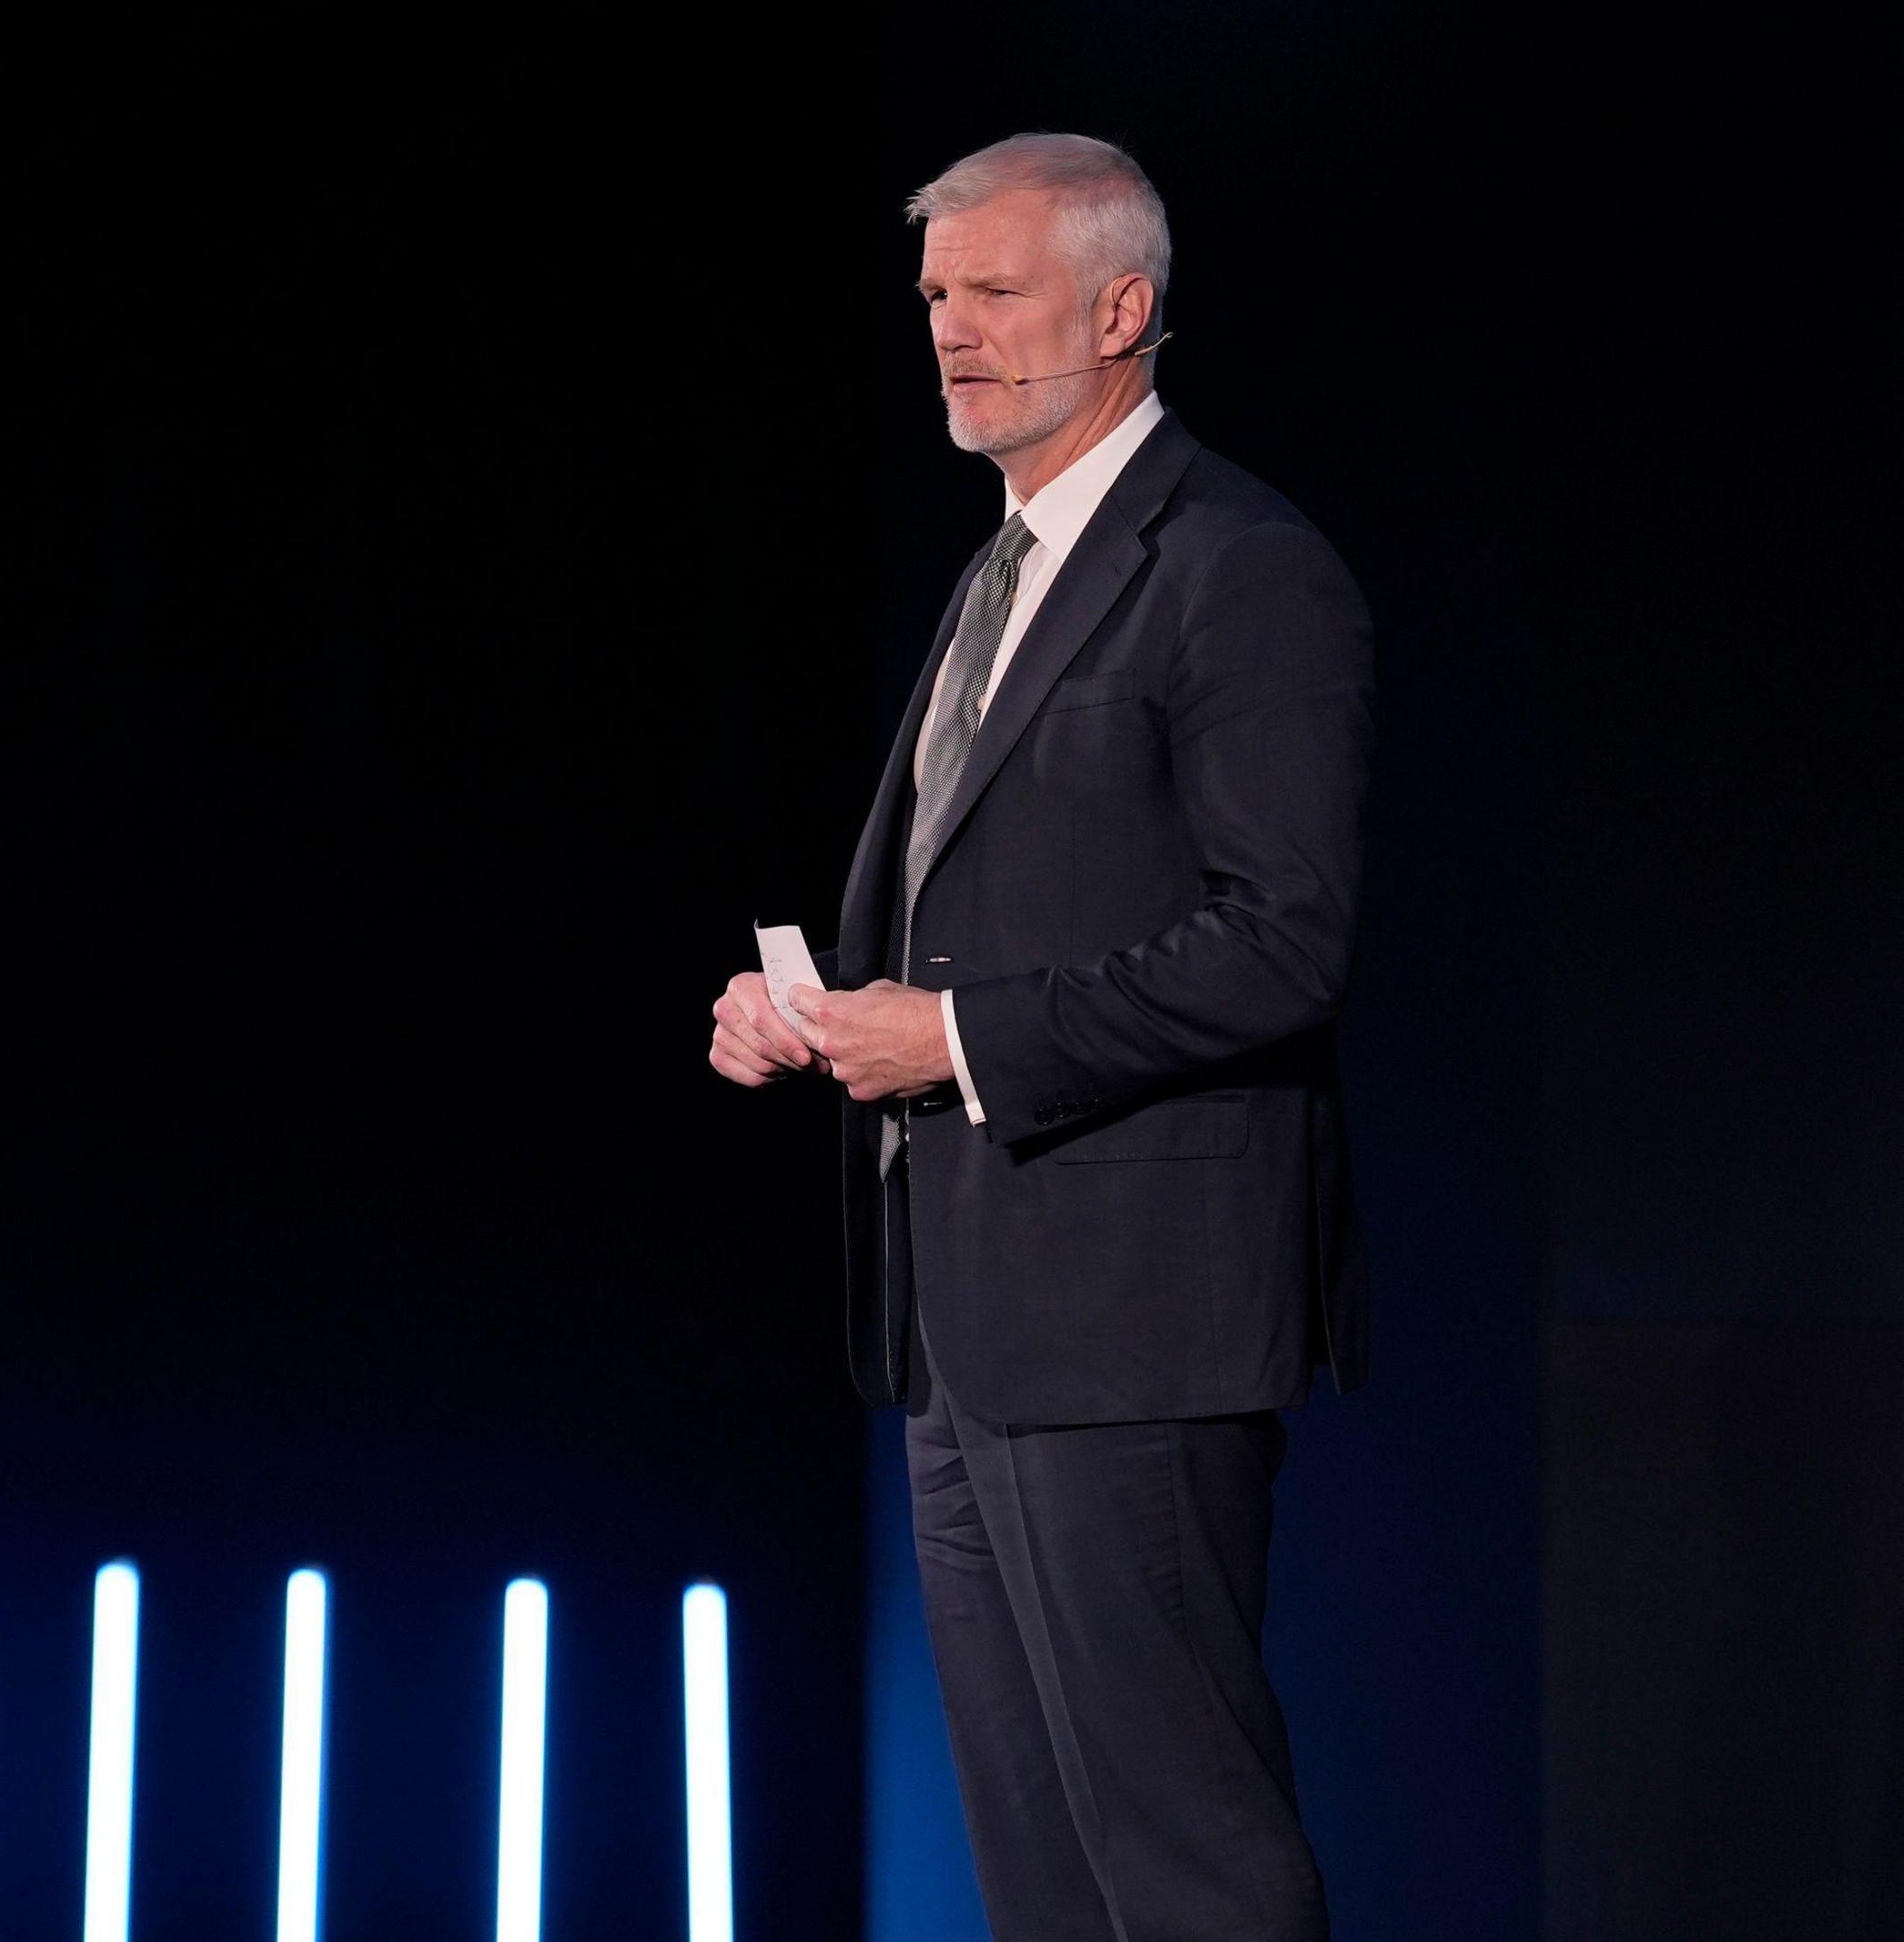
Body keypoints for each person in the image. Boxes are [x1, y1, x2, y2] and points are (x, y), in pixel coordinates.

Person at [708, 132, 1371, 1941]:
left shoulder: (1237, 566)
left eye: (994, 293)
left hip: (1135, 1322)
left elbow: (1288, 939)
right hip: (971, 1324)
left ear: (1124, 307)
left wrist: (964, 1040)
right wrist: (819, 1008)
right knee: (1048, 1885)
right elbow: (987, 897)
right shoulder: (1002, 570)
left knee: (1189, 1866)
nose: (950, 332)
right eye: (935, 297)